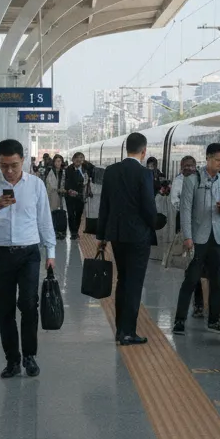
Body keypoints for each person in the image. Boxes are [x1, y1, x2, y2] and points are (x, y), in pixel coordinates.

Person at [0, 140, 56, 379]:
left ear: (23, 160)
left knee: (29, 304)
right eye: (3, 165)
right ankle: (12, 360)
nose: (9, 171)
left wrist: (50, 253)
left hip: (29, 253)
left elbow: (44, 219)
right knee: (5, 309)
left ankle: (29, 355)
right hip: (1, 253)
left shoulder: (35, 185)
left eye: (13, 165)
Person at [97, 132, 157, 345]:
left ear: (125, 149)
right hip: (138, 237)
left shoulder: (112, 172)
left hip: (117, 236)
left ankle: (120, 329)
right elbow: (148, 207)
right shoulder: (144, 174)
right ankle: (127, 332)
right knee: (134, 284)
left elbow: (104, 204)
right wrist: (156, 223)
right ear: (144, 151)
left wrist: (102, 235)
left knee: (123, 281)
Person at [173, 142, 220, 334]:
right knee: (191, 280)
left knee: (216, 281)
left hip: (219, 238)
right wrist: (187, 237)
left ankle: (214, 320)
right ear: (207, 158)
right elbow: (185, 210)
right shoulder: (193, 180)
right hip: (197, 238)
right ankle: (180, 320)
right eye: (217, 160)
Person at [169, 155, 204, 316]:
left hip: (201, 229)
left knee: (199, 268)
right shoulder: (178, 181)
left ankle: (200, 303)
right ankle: (196, 304)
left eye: (192, 165)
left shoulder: (200, 179)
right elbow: (175, 201)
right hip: (187, 229)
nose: (189, 168)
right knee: (191, 268)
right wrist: (187, 208)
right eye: (186, 166)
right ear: (180, 167)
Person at [64, 151, 92, 239]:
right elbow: (65, 182)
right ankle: (73, 233)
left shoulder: (85, 169)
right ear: (73, 160)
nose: (79, 160)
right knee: (71, 214)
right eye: (77, 158)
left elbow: (90, 178)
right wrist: (69, 190)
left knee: (79, 214)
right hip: (70, 195)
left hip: (80, 196)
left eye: (81, 158)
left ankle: (76, 230)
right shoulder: (68, 169)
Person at [44, 154, 67, 239]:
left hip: (62, 195)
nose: (58, 163)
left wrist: (64, 189)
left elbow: (65, 182)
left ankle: (62, 231)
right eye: (57, 161)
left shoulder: (63, 171)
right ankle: (55, 231)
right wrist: (59, 189)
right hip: (53, 194)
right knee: (53, 212)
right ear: (54, 162)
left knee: (62, 212)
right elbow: (50, 184)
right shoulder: (51, 171)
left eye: (60, 161)